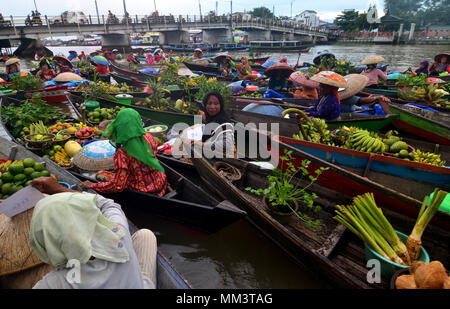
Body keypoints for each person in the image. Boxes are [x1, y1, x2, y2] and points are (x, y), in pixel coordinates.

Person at [29, 177, 158, 289]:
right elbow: (107, 205)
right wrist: (57, 188)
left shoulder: (56, 282)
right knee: (146, 235)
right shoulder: (118, 236)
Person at [80, 108, 167, 195]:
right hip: (160, 181)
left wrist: (93, 185)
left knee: (100, 173)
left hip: (143, 189)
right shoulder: (148, 136)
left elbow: (118, 186)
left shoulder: (123, 153)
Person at [192, 91, 235, 158]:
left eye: (216, 103)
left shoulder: (224, 123)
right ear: (205, 105)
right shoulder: (211, 120)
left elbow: (226, 145)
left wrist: (202, 144)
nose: (212, 107)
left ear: (221, 105)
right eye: (209, 103)